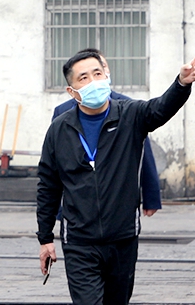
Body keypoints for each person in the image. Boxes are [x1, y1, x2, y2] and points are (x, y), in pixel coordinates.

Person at [37, 49, 195, 305]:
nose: (93, 82)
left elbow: (162, 108)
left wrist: (182, 83)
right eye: (84, 78)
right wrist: (44, 237)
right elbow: (47, 184)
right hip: (79, 240)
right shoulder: (60, 129)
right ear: (72, 91)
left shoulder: (129, 115)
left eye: (97, 73)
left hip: (122, 237)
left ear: (107, 76)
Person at [52, 48, 161, 217]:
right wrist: (57, 205)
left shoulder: (128, 107)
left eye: (99, 70)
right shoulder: (63, 112)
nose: (93, 79)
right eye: (85, 75)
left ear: (106, 71)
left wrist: (150, 197)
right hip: (77, 201)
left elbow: (143, 152)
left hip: (118, 199)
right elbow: (56, 161)